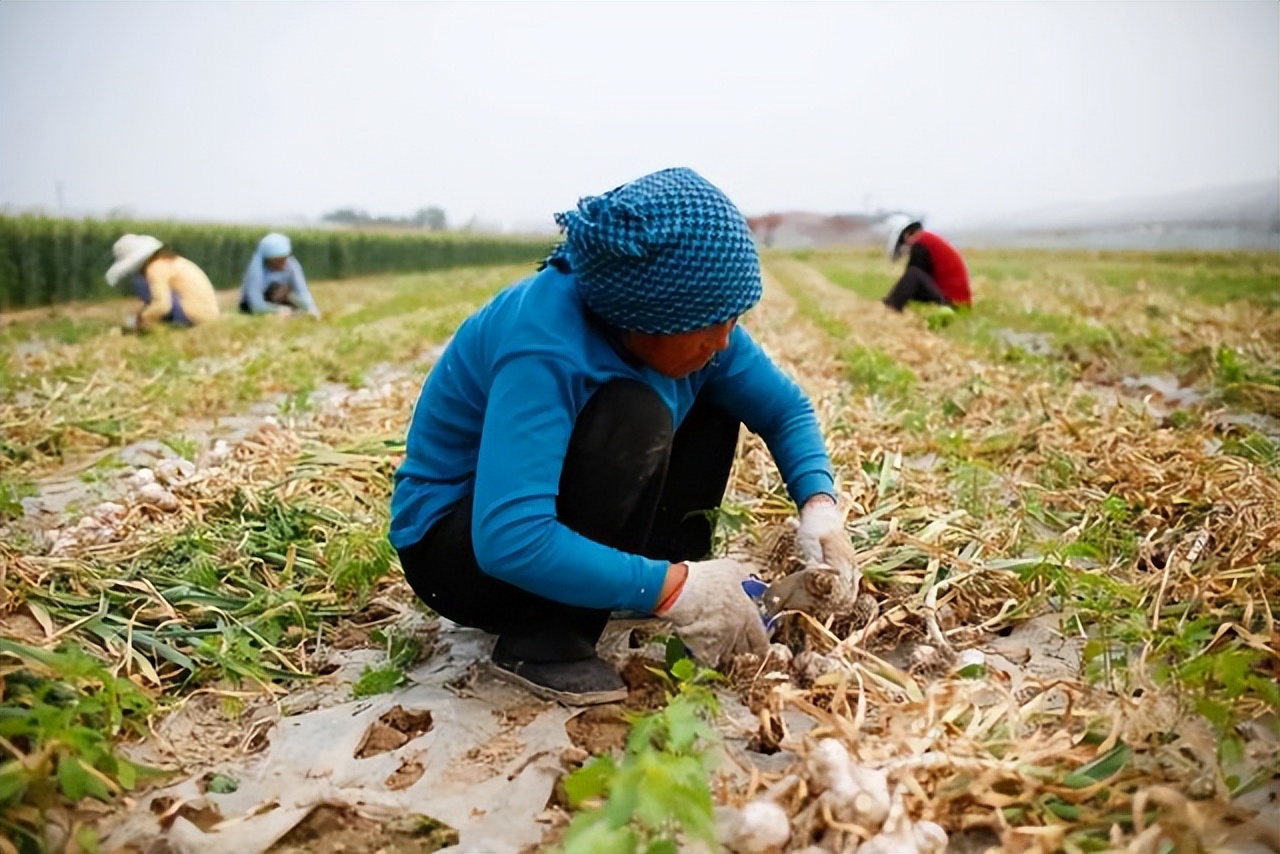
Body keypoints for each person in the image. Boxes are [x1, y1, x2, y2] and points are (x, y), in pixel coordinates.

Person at [389, 167, 858, 706]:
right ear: (650, 316)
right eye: (712, 324)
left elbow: (785, 410)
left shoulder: (690, 327)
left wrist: (820, 507)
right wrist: (679, 590)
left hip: (524, 531)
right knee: (633, 415)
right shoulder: (543, 346)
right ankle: (544, 641)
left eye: (732, 319)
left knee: (714, 395)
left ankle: (648, 576)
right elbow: (510, 539)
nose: (725, 340)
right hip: (460, 552)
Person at [105, 234, 220, 332]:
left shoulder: (155, 268)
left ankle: (164, 325)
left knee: (140, 284)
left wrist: (140, 320)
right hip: (209, 315)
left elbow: (162, 305)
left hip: (195, 316)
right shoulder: (169, 262)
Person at [881, 215, 972, 312]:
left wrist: (892, 298)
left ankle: (891, 309)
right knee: (911, 280)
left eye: (903, 242)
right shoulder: (928, 240)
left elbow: (912, 278)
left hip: (952, 302)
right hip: (955, 300)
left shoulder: (921, 243)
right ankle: (890, 305)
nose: (906, 246)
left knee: (913, 273)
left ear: (907, 235)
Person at [238, 232, 321, 318]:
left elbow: (302, 290)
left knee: (284, 291)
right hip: (252, 304)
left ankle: (290, 311)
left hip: (277, 299)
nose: (283, 263)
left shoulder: (291, 264)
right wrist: (276, 310)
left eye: (284, 258)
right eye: (277, 260)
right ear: (268, 258)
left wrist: (312, 308)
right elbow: (255, 301)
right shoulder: (256, 269)